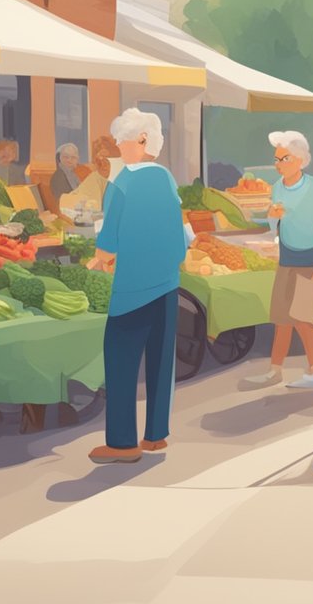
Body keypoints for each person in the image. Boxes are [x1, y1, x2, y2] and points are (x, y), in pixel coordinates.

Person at [86, 109, 188, 464]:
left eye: (122, 141)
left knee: (122, 363)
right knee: (161, 361)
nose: (118, 148)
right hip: (167, 284)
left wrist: (98, 259)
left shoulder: (122, 183)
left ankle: (123, 442)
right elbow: (179, 235)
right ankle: (156, 435)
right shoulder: (167, 180)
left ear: (142, 140)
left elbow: (108, 241)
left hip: (131, 289)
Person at [244, 132, 313, 389]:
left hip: (311, 261)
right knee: (282, 320)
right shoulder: (277, 187)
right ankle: (275, 370)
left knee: (304, 320)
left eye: (283, 158)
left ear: (299, 159)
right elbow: (276, 225)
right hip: (287, 259)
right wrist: (273, 216)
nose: (278, 164)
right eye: (276, 159)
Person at [60, 136, 119, 216]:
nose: (102, 164)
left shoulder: (121, 177)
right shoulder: (95, 177)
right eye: (99, 160)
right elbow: (66, 202)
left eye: (107, 160)